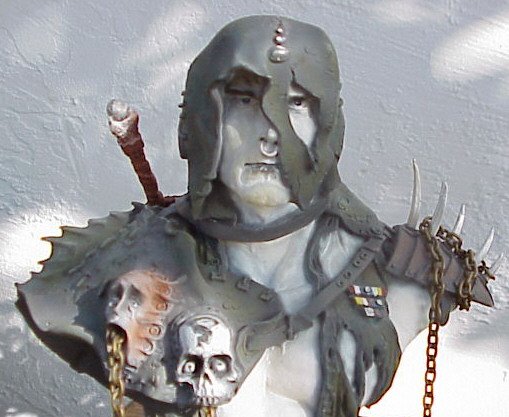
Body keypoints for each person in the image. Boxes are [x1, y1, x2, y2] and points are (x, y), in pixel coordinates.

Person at [17, 15, 495, 417]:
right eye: (244, 101)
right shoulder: (115, 272)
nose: (271, 135)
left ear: (329, 124)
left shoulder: (412, 269)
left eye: (297, 103)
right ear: (196, 121)